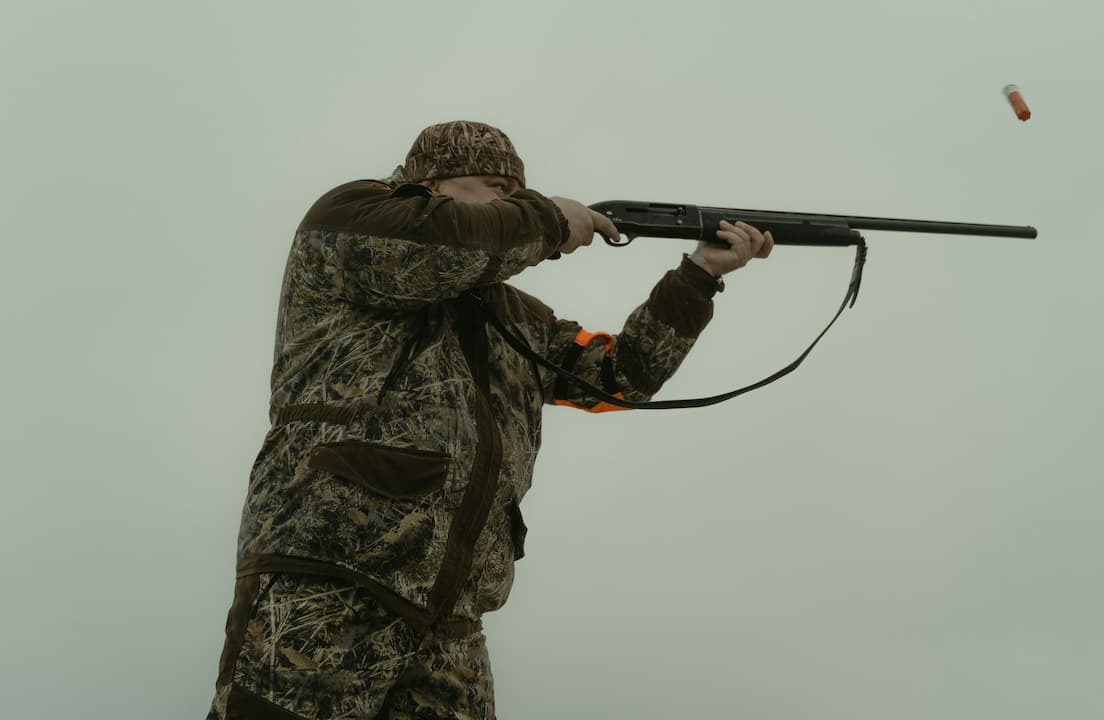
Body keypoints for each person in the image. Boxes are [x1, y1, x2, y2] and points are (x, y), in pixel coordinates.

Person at [207, 120, 773, 719]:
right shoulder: (352, 218)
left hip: (453, 617)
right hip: (329, 575)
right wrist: (548, 219)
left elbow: (619, 378)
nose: (510, 199)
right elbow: (449, 243)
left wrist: (699, 275)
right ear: (430, 182)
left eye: (517, 187)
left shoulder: (517, 315)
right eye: (491, 184)